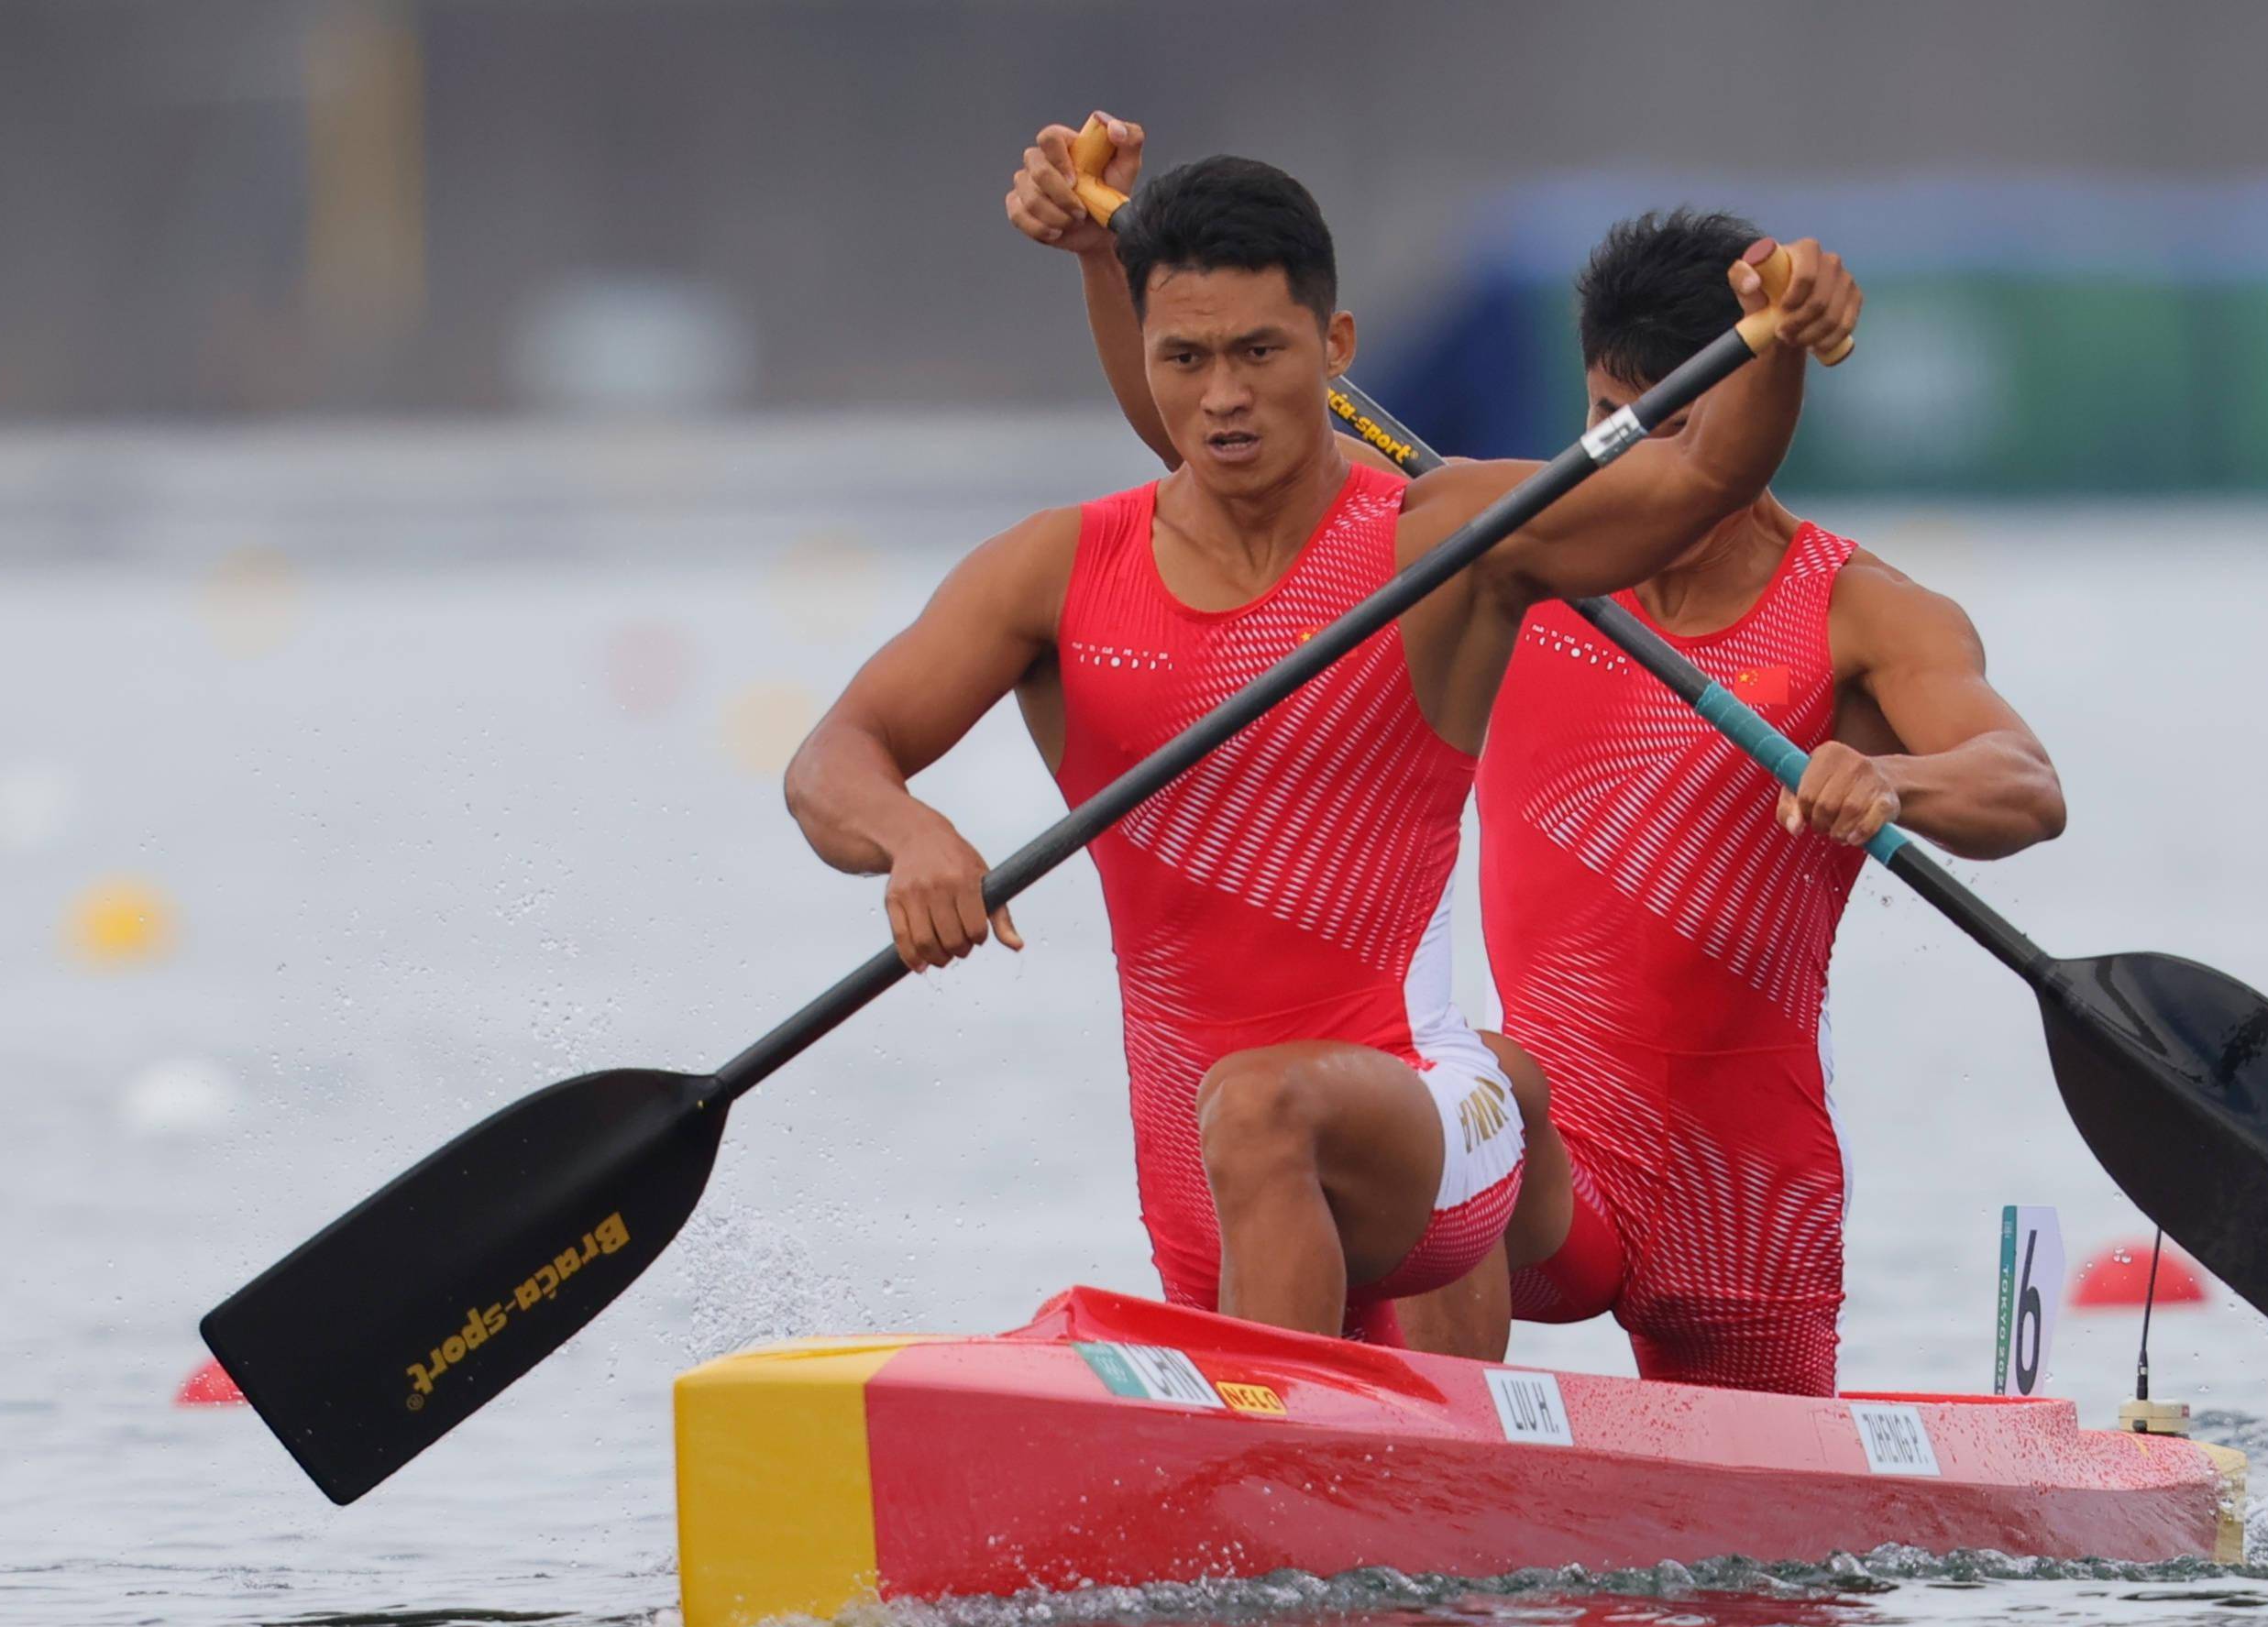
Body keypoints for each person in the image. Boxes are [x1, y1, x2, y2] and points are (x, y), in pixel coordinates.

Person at [1010, 119, 2059, 1394]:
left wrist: (1892, 781)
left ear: (1743, 418)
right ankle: (1441, 1440)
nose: (1619, 461)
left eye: (1663, 428)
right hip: (1554, 1171)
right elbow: (1222, 442)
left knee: (1763, 1599)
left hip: (1744, 1196)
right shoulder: (1517, 558)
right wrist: (1102, 257)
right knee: (1477, 1086)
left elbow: (2023, 784)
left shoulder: (1858, 614)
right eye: (1603, 418)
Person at [791, 136, 1858, 1358]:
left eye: (1260, 352)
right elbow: (834, 755)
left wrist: (1777, 348)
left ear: (1334, 351)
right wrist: (911, 834)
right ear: (1141, 360)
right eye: (1184, 360)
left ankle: (1275, 1461)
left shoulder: (1444, 541)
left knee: (1257, 1105)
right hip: (1197, 1188)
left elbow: (1702, 478)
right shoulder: (1051, 570)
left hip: (1432, 1133)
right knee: (1244, 1128)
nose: (1223, 398)